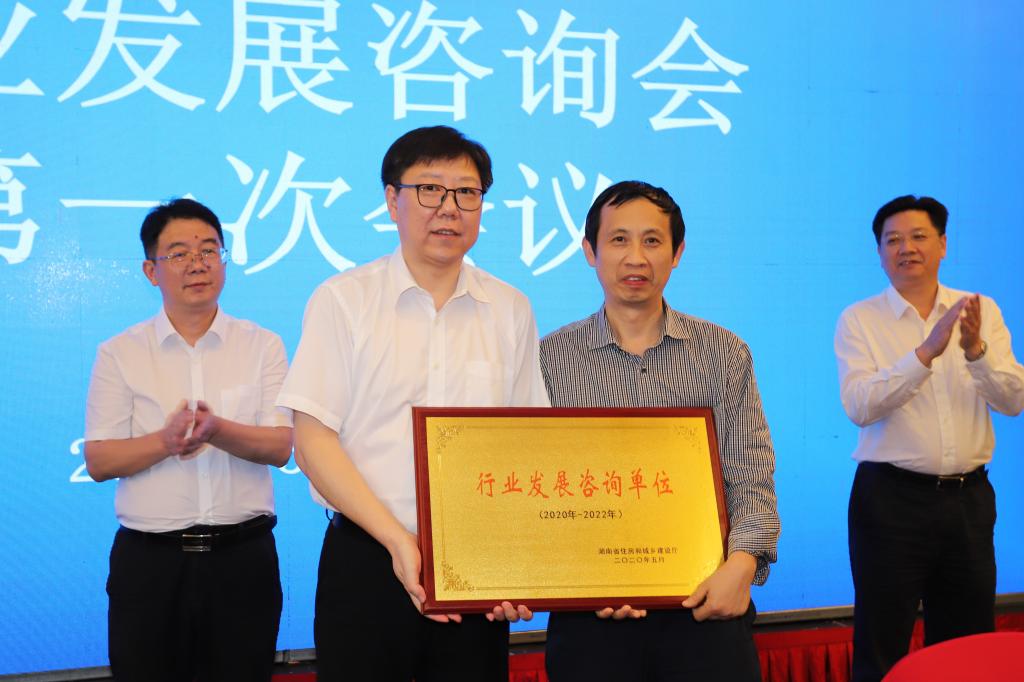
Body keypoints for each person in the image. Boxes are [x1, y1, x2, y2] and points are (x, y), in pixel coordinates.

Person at [277, 125, 549, 681]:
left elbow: (526, 444)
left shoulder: (511, 308)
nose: (449, 208)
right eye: (429, 188)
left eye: (466, 192)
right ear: (391, 199)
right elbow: (312, 440)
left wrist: (518, 559)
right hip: (367, 559)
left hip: (475, 564)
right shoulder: (343, 300)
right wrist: (397, 539)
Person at [539, 180, 780, 682]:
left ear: (677, 253)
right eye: (618, 240)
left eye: (652, 241)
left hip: (705, 606)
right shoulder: (548, 359)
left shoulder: (724, 352)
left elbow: (751, 475)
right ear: (590, 251)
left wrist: (742, 566)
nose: (636, 258)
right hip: (591, 617)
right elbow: (539, 487)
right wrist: (578, 578)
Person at [84, 198, 293, 681]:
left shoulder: (262, 345)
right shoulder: (120, 352)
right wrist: (166, 441)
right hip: (151, 565)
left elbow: (281, 447)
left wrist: (216, 430)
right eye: (178, 253)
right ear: (151, 271)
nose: (197, 264)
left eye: (209, 250)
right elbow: (99, 459)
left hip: (243, 561)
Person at [835, 194, 1024, 682]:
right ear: (879, 252)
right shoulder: (860, 319)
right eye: (893, 240)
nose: (906, 248)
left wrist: (975, 350)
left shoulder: (980, 310)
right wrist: (925, 354)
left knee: (967, 648)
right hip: (890, 501)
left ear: (942, 244)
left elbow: (1013, 400)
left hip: (968, 501)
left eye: (919, 236)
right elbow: (859, 405)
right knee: (881, 644)